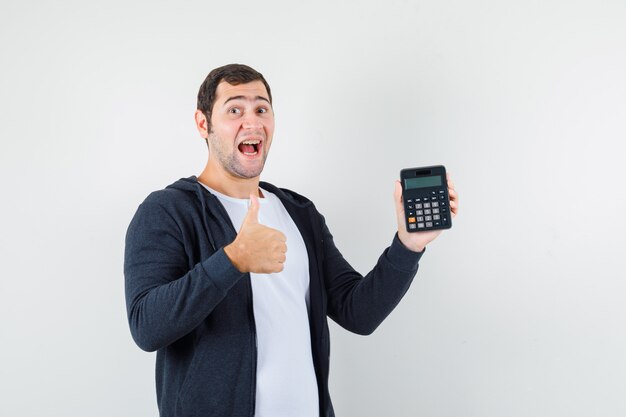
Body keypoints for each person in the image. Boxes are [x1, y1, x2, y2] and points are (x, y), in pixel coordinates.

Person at [124, 63, 459, 417]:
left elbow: (358, 312)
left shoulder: (299, 212)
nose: (252, 122)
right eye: (234, 109)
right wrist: (233, 259)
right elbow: (147, 326)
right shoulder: (168, 210)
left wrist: (408, 245)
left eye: (261, 109)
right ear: (202, 123)